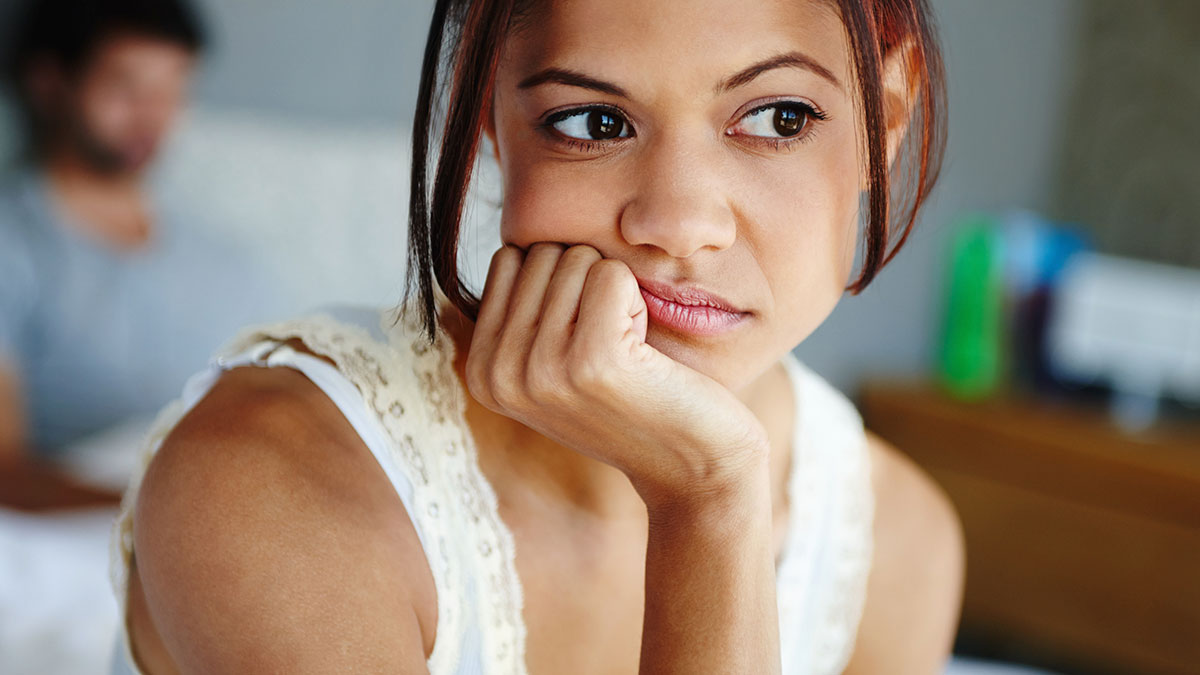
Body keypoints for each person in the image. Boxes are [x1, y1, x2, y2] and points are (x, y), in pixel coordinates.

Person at [112, 0, 964, 672]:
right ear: (488, 118)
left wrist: (715, 500)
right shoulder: (264, 478)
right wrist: (708, 496)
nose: (677, 224)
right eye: (595, 122)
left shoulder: (896, 545)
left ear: (884, 121)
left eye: (779, 117)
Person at [0, 0, 279, 509]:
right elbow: (5, 466)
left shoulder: (227, 264)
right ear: (49, 82)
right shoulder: (15, 243)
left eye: (171, 89)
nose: (151, 115)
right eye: (124, 87)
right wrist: (154, 510)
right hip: (74, 523)